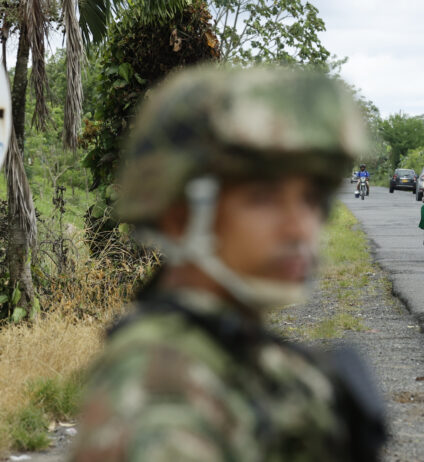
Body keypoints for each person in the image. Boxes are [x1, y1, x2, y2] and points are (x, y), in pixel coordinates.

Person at [70, 66, 386, 461]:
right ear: (181, 216)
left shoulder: (225, 347)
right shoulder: (165, 400)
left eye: (310, 198)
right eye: (264, 197)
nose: (300, 229)